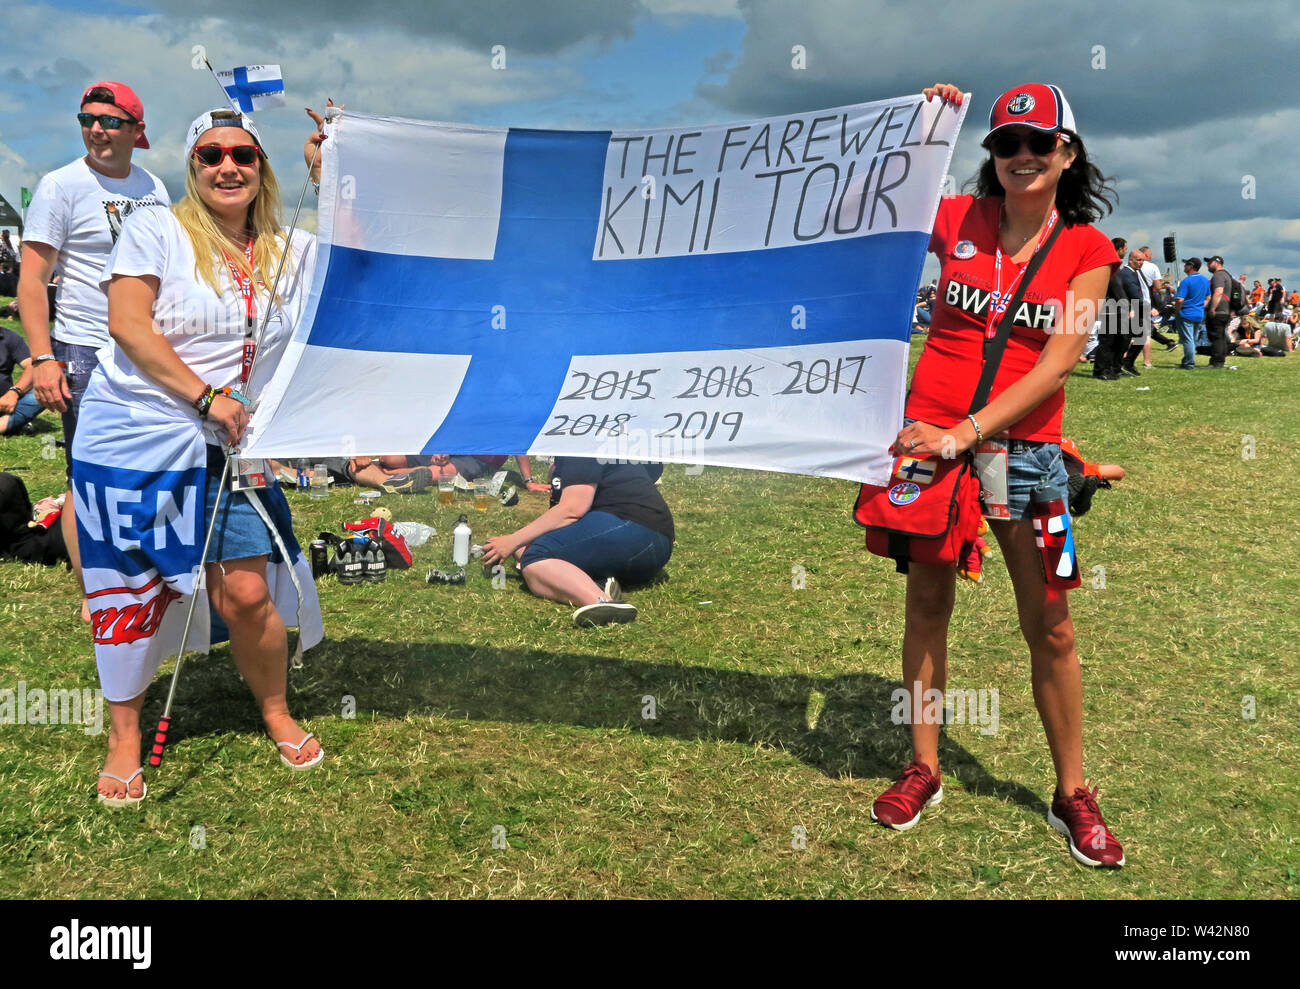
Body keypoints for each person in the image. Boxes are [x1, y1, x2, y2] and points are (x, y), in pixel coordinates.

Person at [871, 82, 1125, 867]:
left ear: (1067, 155)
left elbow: (1058, 362)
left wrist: (967, 433)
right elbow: (872, 202)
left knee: (1051, 621)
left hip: (1028, 458)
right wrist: (922, 125)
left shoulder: (1088, 250)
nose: (1020, 157)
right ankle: (924, 766)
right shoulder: (956, 219)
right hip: (925, 448)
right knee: (926, 605)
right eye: (1005, 144)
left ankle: (1071, 792)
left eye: (1037, 144)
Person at [72, 106, 331, 806]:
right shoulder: (156, 229)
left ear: (260, 167)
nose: (228, 167)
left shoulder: (291, 247)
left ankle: (275, 708)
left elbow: (370, 265)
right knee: (129, 595)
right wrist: (204, 394)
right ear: (192, 166)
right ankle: (125, 739)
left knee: (244, 591)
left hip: (229, 443)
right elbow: (127, 323)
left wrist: (328, 172)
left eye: (243, 155)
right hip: (137, 436)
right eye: (211, 154)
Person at [19, 82, 170, 622]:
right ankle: (96, 594)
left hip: (146, 348)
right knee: (86, 475)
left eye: (109, 120)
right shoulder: (60, 186)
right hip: (83, 349)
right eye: (87, 119)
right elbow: (32, 281)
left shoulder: (154, 187)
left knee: (150, 467)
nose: (96, 129)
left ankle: (145, 574)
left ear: (136, 129)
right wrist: (42, 358)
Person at [481, 456, 673, 627]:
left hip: (631, 530)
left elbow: (572, 510)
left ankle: (601, 602)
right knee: (524, 548)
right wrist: (517, 543)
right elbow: (653, 471)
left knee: (534, 558)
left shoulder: (580, 449)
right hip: (654, 542)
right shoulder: (602, 443)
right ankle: (600, 582)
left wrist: (511, 541)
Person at [0, 326, 43, 434]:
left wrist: (14, 392)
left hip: (5, 404)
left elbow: (34, 366)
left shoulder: (9, 337)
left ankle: (7, 421)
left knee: (51, 380)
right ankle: (13, 423)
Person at [1173, 258, 1210, 368]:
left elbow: (1179, 300)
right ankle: (1187, 361)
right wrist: (1200, 306)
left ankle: (1189, 363)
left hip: (1186, 314)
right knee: (1192, 339)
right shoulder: (1205, 280)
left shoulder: (1187, 281)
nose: (1184, 267)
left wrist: (1178, 310)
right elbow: (1208, 297)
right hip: (1199, 314)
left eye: (1186, 265)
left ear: (1191, 266)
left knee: (1188, 340)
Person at [1202, 255, 1232, 369]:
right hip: (1225, 310)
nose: (1208, 265)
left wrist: (1213, 308)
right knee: (1221, 336)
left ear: (1217, 263)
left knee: (1216, 337)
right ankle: (1220, 360)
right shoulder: (1227, 275)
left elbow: (1218, 292)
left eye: (1210, 262)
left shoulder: (1218, 275)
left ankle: (1216, 362)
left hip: (1218, 311)